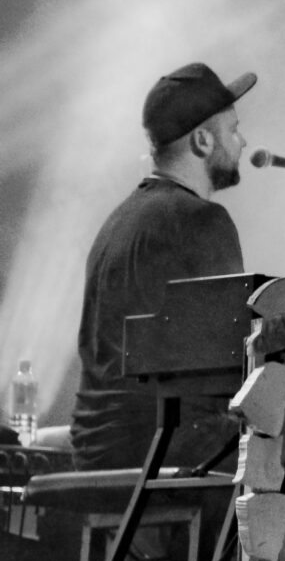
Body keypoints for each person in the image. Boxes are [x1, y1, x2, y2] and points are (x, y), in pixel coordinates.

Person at [72, 62, 256, 472]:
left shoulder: (116, 223)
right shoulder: (203, 220)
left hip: (96, 448)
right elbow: (235, 358)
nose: (242, 142)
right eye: (233, 130)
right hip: (163, 443)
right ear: (204, 140)